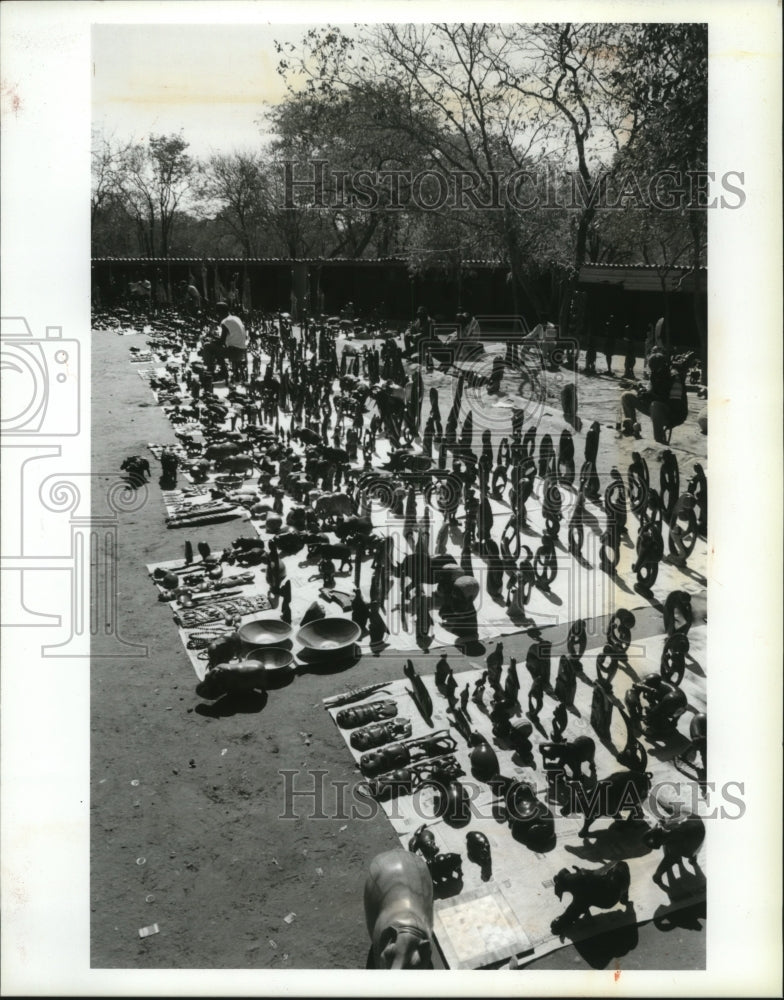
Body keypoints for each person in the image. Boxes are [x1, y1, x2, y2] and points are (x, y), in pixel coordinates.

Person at [620, 350, 684, 444]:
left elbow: (675, 405)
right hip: (653, 408)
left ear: (660, 367)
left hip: (669, 414)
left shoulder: (674, 379)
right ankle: (632, 427)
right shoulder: (655, 375)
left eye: (654, 368)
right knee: (626, 396)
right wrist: (640, 390)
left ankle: (660, 440)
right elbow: (649, 392)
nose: (652, 372)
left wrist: (652, 397)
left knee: (655, 405)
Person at [216, 301, 248, 385]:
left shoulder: (225, 322)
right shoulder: (236, 318)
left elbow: (221, 341)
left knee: (212, 349)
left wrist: (213, 341)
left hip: (234, 351)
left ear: (221, 312)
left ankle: (223, 373)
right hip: (242, 349)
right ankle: (236, 373)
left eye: (218, 312)